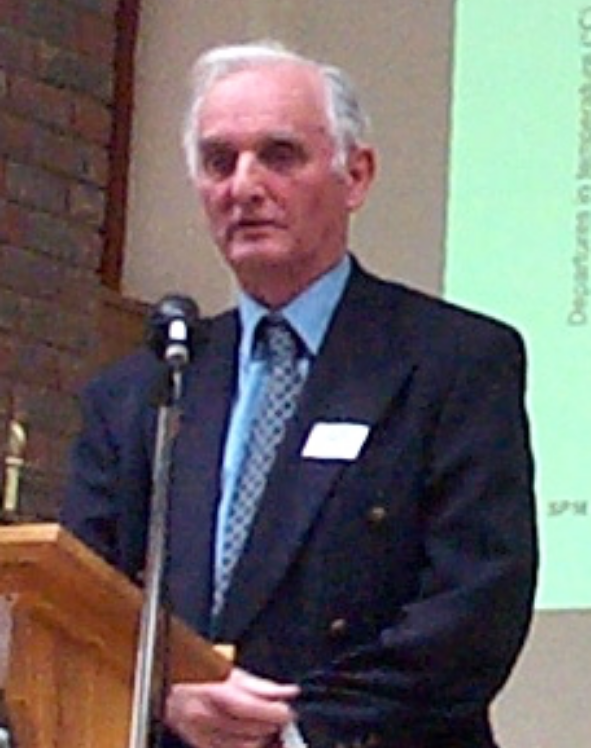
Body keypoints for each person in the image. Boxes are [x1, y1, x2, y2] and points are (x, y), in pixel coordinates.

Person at [62, 40, 538, 748]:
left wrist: (291, 731)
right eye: (219, 161)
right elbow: (76, 606)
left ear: (356, 175)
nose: (244, 185)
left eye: (278, 155)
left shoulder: (452, 362)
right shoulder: (142, 392)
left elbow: (474, 609)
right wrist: (162, 695)